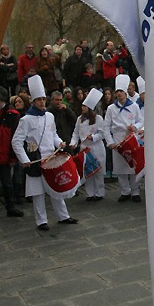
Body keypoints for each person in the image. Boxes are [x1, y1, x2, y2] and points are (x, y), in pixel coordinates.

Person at [11, 75, 78, 232]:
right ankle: (42, 221)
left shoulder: (49, 116)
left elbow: (53, 134)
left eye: (43, 99)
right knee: (38, 193)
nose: (42, 102)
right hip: (36, 160)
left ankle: (63, 216)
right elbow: (16, 141)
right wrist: (25, 159)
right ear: (33, 101)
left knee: (57, 189)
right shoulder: (25, 120)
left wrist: (59, 143)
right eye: (39, 99)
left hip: (52, 159)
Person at [103, 74, 143, 202]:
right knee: (120, 168)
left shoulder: (134, 106)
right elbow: (106, 127)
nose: (119, 94)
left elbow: (141, 121)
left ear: (126, 92)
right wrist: (110, 142)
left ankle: (135, 191)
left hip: (131, 138)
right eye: (117, 92)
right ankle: (125, 190)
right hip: (118, 139)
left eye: (121, 91)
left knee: (133, 166)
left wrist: (135, 127)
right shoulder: (111, 109)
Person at [70, 88, 105, 201]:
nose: (82, 108)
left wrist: (93, 137)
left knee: (98, 172)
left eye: (84, 106)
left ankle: (99, 193)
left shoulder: (98, 119)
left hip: (96, 148)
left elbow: (102, 133)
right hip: (84, 149)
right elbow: (75, 132)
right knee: (88, 172)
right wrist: (73, 143)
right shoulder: (79, 119)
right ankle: (90, 194)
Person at [0, 86, 23, 218]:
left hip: (5, 156)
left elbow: (15, 138)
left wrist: (14, 158)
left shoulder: (12, 115)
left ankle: (10, 207)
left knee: (7, 184)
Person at [100, 87, 116, 181]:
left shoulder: (114, 106)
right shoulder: (100, 107)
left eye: (109, 94)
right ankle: (107, 170)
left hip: (113, 131)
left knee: (113, 152)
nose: (107, 96)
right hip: (104, 132)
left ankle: (113, 170)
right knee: (106, 152)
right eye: (105, 94)